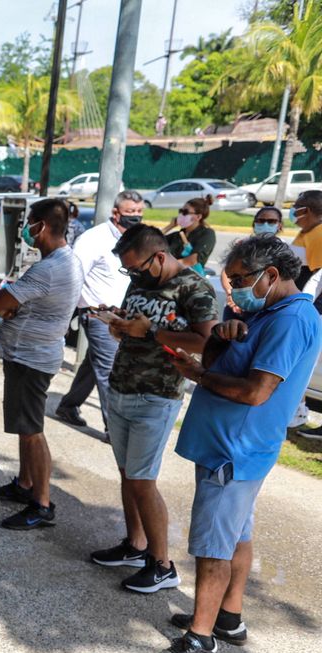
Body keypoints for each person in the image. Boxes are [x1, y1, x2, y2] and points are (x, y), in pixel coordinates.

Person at [153, 236, 321, 653]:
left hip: (235, 449)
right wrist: (221, 338)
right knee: (235, 535)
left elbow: (256, 392)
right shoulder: (264, 312)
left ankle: (200, 639)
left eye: (241, 280)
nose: (234, 289)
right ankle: (227, 617)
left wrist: (197, 375)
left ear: (271, 275)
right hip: (231, 446)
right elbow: (221, 359)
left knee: (213, 547)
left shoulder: (290, 320)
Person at [90, 224, 217, 592]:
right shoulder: (142, 280)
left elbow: (207, 341)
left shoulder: (194, 288)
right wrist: (118, 322)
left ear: (160, 256)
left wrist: (148, 332)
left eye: (138, 268)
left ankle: (163, 566)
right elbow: (137, 323)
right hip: (121, 387)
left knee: (143, 481)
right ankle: (135, 544)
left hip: (157, 395)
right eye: (128, 270)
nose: (134, 276)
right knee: (128, 474)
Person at [0, 199, 84, 528]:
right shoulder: (62, 260)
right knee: (24, 427)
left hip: (32, 359)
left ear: (41, 226)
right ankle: (25, 484)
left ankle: (41, 503)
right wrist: (12, 304)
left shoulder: (50, 267)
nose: (26, 228)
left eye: (30, 222)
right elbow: (9, 304)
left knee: (32, 431)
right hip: (29, 355)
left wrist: (9, 303)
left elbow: (0, 302)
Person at [57, 190, 147, 432]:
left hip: (126, 315)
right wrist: (68, 316)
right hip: (99, 315)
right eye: (130, 212)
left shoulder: (137, 237)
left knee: (93, 364)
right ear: (116, 213)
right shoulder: (92, 239)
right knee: (110, 371)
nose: (136, 217)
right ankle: (114, 430)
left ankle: (68, 405)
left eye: (139, 212)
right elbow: (74, 278)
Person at [163, 196, 217, 275]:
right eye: (180, 211)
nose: (181, 215)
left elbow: (191, 260)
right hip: (169, 276)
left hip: (190, 279)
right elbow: (151, 243)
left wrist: (166, 267)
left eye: (185, 212)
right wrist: (169, 226)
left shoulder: (207, 234)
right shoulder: (177, 235)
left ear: (198, 217)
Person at [291, 189, 322, 290]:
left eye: (296, 207)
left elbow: (318, 278)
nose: (293, 210)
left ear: (306, 210)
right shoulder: (308, 231)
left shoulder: (319, 234)